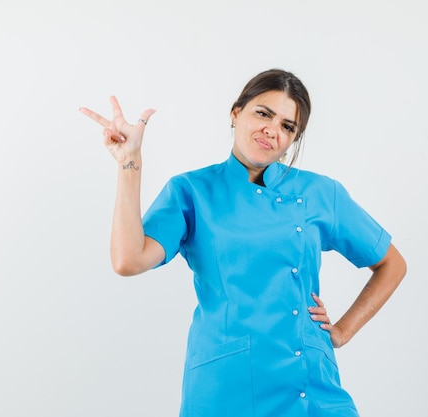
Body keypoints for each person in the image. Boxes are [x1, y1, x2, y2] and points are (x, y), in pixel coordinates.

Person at [80, 68, 407, 417]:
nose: (272, 130)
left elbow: (391, 264)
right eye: (263, 114)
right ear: (236, 113)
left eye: (287, 126)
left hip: (310, 385)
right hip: (226, 386)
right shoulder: (192, 191)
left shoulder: (320, 193)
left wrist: (341, 330)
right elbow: (128, 260)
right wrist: (130, 161)